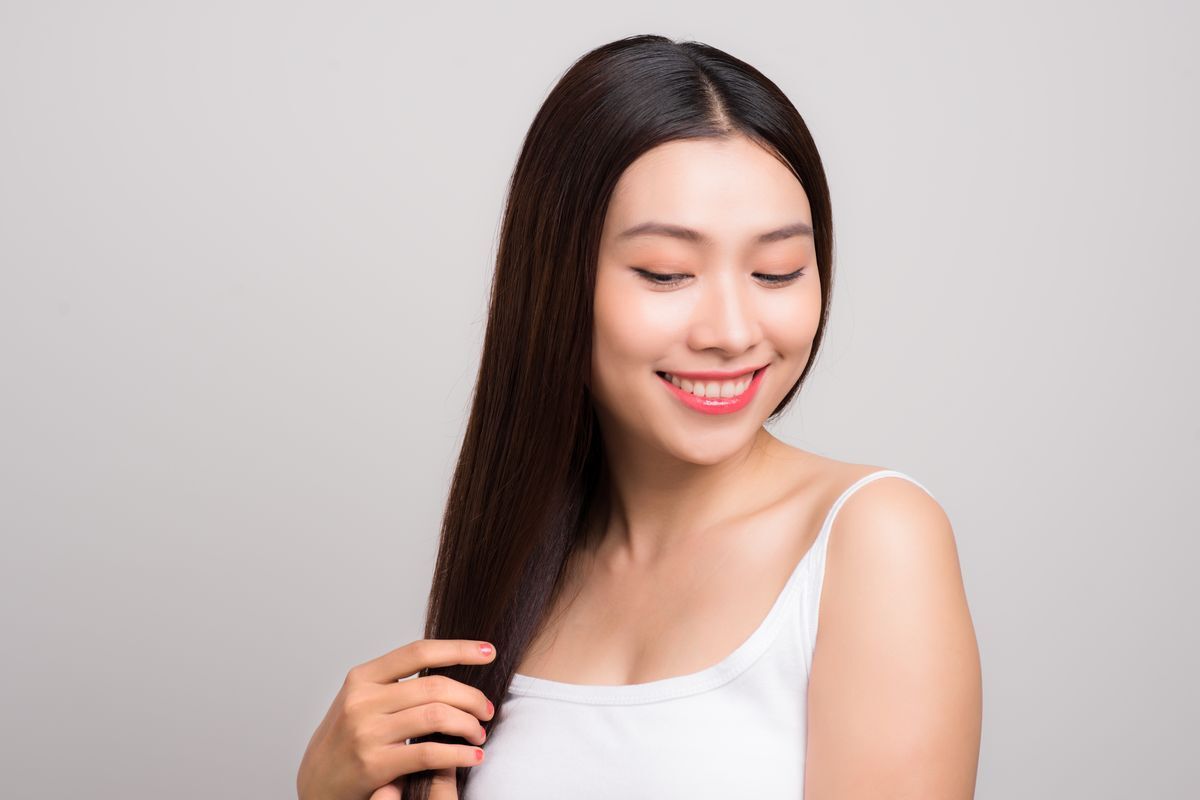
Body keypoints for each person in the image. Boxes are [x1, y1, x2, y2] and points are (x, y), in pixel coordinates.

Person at [297, 34, 982, 800]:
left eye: (777, 271)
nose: (729, 329)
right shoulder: (521, 562)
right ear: (556, 279)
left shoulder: (873, 539)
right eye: (666, 273)